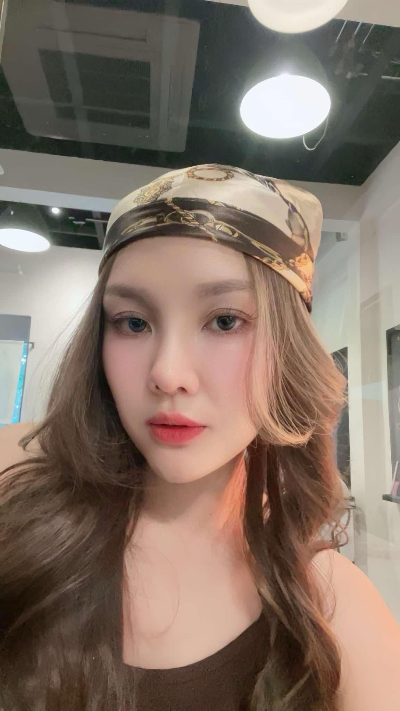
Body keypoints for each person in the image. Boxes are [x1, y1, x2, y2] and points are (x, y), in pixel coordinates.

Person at [0, 164, 399, 711]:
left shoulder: (334, 608)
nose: (168, 373)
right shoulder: (14, 490)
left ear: (288, 350)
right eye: (133, 322)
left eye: (225, 321)